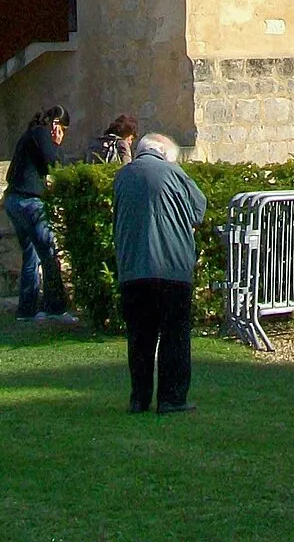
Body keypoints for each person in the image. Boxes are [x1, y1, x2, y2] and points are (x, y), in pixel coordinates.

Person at [112, 133, 207, 414]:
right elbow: (198, 208)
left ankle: (139, 399)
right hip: (172, 268)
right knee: (174, 335)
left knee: (140, 337)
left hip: (133, 270)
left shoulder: (122, 177)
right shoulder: (175, 173)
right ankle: (172, 398)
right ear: (165, 153)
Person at [4, 105, 75, 324]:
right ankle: (56, 307)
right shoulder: (41, 133)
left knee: (31, 255)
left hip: (14, 199)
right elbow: (54, 163)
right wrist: (55, 142)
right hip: (28, 201)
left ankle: (27, 310)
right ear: (55, 125)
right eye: (62, 129)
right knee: (48, 253)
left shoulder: (30, 134)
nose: (61, 134)